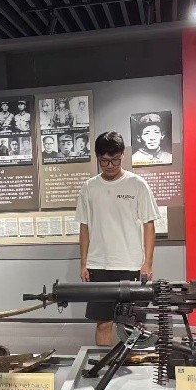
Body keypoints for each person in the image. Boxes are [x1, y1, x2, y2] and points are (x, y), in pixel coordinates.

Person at [76, 131, 160, 346]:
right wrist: (84, 263)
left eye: (114, 160)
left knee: (132, 326)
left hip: (130, 264)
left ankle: (132, 365)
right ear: (97, 158)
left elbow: (149, 224)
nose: (110, 165)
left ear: (122, 154)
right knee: (103, 323)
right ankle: (102, 364)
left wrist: (148, 263)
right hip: (99, 265)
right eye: (104, 161)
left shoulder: (137, 184)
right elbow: (84, 227)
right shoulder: (89, 187)